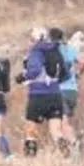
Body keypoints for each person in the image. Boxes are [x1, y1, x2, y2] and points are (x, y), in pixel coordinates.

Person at [16, 27, 71, 158]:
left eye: (30, 39)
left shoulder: (36, 51)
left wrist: (23, 76)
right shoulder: (55, 50)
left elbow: (34, 71)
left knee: (31, 129)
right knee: (56, 131)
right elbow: (66, 74)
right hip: (55, 94)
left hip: (38, 94)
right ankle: (67, 156)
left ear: (34, 39)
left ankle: (30, 159)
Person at [50, 27, 84, 157]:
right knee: (65, 121)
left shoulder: (52, 50)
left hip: (59, 90)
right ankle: (72, 148)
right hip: (72, 89)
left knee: (63, 123)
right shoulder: (69, 49)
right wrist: (77, 75)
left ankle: (74, 145)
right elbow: (83, 61)